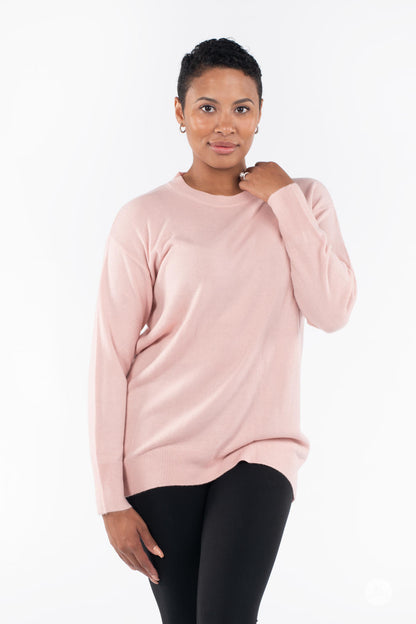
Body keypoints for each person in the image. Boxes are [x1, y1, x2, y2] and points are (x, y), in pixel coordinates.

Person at [88, 37, 357, 623]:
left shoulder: (304, 200)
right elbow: (110, 359)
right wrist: (110, 498)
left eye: (241, 108)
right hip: (160, 453)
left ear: (260, 115)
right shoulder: (144, 218)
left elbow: (332, 311)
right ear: (179, 112)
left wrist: (283, 198)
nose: (225, 125)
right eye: (207, 107)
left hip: (261, 449)